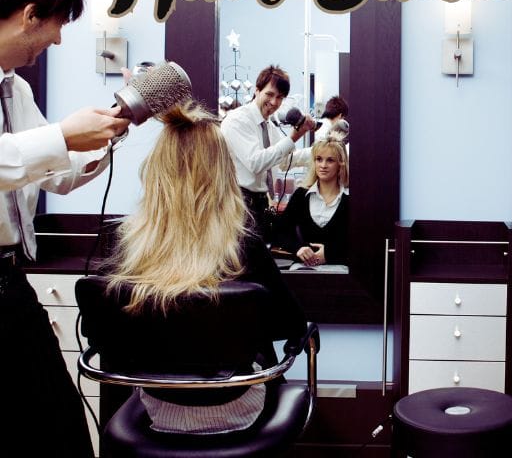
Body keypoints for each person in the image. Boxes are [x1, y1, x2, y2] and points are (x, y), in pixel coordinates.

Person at [0, 0, 131, 457]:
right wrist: (61, 137)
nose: (55, 42)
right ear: (32, 15)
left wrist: (102, 136)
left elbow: (50, 173)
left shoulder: (17, 91)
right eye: (57, 26)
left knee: (59, 428)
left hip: (10, 280)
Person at [104, 102, 307, 433]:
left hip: (159, 403)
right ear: (222, 172)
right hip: (239, 403)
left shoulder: (132, 246)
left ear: (157, 171)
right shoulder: (244, 247)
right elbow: (291, 326)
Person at [220, 65, 316, 244]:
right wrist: (295, 136)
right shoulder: (237, 120)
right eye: (270, 94)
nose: (274, 102)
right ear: (257, 91)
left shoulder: (269, 126)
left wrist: (319, 151)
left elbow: (284, 160)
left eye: (280, 97)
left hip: (260, 204)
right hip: (239, 203)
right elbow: (256, 162)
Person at [275, 136, 350, 266]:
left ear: (340, 164)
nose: (323, 165)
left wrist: (329, 253)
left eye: (330, 160)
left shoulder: (351, 200)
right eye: (319, 159)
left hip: (342, 272)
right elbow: (279, 233)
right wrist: (298, 248)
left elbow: (361, 240)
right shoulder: (300, 196)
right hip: (304, 270)